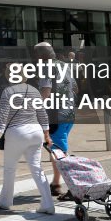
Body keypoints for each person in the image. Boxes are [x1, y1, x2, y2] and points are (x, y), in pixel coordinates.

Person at [0, 73, 55, 214]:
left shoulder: (8, 91)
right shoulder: (34, 90)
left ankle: (5, 202)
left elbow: (2, 114)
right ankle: (48, 204)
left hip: (17, 133)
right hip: (36, 132)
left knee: (10, 169)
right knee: (37, 168)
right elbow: (42, 112)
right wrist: (46, 134)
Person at [33, 42, 76, 197]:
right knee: (57, 148)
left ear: (40, 55)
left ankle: (74, 185)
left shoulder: (46, 67)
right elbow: (75, 88)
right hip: (69, 112)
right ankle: (56, 183)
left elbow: (46, 92)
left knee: (59, 151)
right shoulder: (64, 65)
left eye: (36, 54)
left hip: (55, 114)